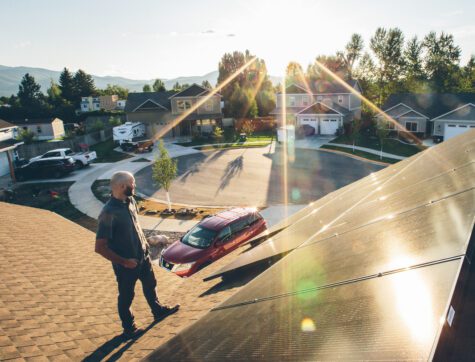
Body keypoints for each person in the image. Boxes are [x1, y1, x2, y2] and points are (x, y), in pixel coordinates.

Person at [95, 171, 179, 339]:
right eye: (133, 184)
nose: (135, 186)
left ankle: (157, 310)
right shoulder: (108, 213)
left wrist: (145, 248)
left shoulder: (130, 201)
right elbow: (100, 247)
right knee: (126, 296)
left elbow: (135, 228)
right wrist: (124, 262)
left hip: (143, 257)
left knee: (150, 285)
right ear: (122, 187)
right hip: (127, 265)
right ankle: (129, 328)